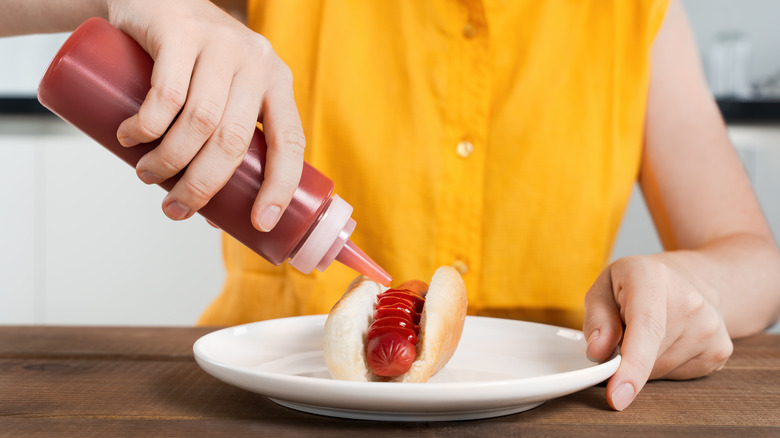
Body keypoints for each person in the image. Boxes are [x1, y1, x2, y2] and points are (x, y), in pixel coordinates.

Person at [4, 0, 780, 412]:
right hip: (254, 413)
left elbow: (755, 264)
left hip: (552, 412)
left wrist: (690, 290)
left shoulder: (632, 12)